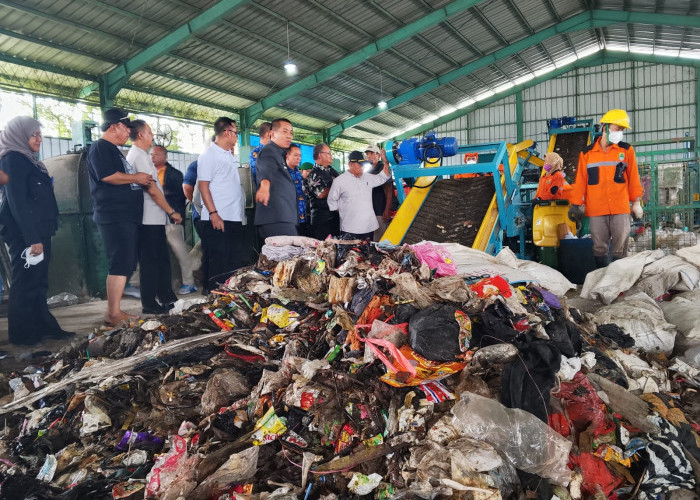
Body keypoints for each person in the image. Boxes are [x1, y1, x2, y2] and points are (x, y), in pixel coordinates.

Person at [0, 116, 73, 345]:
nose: (39, 139)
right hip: (25, 234)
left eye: (40, 135)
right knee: (25, 282)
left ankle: (43, 327)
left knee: (39, 281)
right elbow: (17, 202)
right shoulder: (12, 159)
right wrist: (32, 238)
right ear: (20, 135)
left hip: (39, 231)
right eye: (35, 135)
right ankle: (22, 335)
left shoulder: (29, 160)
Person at [88, 108, 153, 326]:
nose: (128, 132)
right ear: (115, 126)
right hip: (113, 216)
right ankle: (112, 313)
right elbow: (107, 176)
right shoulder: (100, 148)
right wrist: (137, 177)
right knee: (119, 263)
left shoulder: (113, 150)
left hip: (124, 216)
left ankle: (115, 311)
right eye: (126, 128)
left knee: (124, 263)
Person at [569, 109, 643, 268]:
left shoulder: (626, 150)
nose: (620, 133)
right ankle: (603, 280)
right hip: (597, 209)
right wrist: (575, 204)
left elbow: (634, 178)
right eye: (618, 129)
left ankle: (619, 285)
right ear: (605, 128)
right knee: (599, 249)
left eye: (622, 130)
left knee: (620, 250)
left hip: (620, 208)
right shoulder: (587, 154)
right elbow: (580, 180)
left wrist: (636, 202)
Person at [126, 121, 182, 314]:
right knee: (151, 262)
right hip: (147, 219)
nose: (152, 135)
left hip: (154, 218)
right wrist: (171, 211)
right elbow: (152, 190)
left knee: (160, 260)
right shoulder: (138, 156)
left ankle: (166, 296)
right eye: (149, 132)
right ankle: (149, 303)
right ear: (141, 135)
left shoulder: (142, 155)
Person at [197, 117, 245, 292]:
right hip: (218, 217)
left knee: (231, 261)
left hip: (233, 216)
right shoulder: (209, 155)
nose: (237, 137)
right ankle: (212, 296)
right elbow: (203, 186)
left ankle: (225, 296)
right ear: (227, 132)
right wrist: (213, 213)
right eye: (236, 133)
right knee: (218, 261)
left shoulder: (228, 155)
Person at [151, 145, 196, 294]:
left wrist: (175, 213)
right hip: (153, 220)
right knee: (150, 253)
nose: (152, 157)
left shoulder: (174, 174)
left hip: (172, 220)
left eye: (156, 154)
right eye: (151, 154)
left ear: (165, 156)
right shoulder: (148, 173)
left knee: (180, 252)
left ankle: (189, 283)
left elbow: (180, 197)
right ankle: (141, 284)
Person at [327, 150, 390, 241]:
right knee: (350, 254)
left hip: (368, 227)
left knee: (367, 253)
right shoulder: (339, 181)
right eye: (360, 165)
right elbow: (332, 201)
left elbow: (382, 177)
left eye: (363, 166)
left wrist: (386, 163)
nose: (362, 168)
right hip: (349, 228)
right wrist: (345, 210)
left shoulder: (367, 177)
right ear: (350, 164)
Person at [254, 118, 298, 239]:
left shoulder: (280, 154)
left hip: (283, 217)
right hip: (275, 217)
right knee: (286, 256)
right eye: (285, 131)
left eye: (291, 132)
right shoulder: (269, 151)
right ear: (272, 134)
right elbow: (267, 169)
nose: (289, 135)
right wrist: (264, 185)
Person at [306, 143, 339, 240]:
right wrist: (337, 187)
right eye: (328, 153)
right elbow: (321, 194)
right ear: (320, 155)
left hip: (335, 217)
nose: (331, 155)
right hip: (322, 220)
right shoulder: (313, 173)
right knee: (324, 250)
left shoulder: (331, 171)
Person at [365, 145, 393, 241]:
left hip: (380, 209)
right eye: (368, 154)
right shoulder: (368, 170)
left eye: (372, 153)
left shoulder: (383, 168)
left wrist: (387, 210)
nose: (369, 156)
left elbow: (389, 191)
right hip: (370, 210)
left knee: (379, 237)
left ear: (379, 155)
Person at [285, 143, 308, 236]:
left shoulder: (298, 172)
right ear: (287, 156)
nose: (298, 158)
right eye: (295, 155)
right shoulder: (283, 173)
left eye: (300, 156)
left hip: (302, 216)